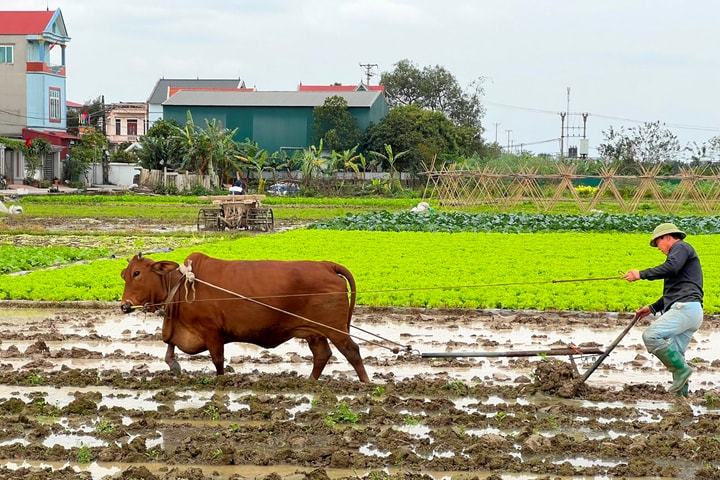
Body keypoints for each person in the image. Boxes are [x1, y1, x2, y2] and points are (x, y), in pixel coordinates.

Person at [622, 223, 703, 397]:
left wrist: (640, 274)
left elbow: (671, 268)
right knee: (677, 355)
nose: (658, 248)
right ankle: (681, 398)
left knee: (650, 336)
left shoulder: (681, 247)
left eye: (657, 243)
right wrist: (652, 308)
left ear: (667, 237)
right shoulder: (680, 258)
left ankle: (682, 371)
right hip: (692, 311)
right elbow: (673, 292)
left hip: (684, 308)